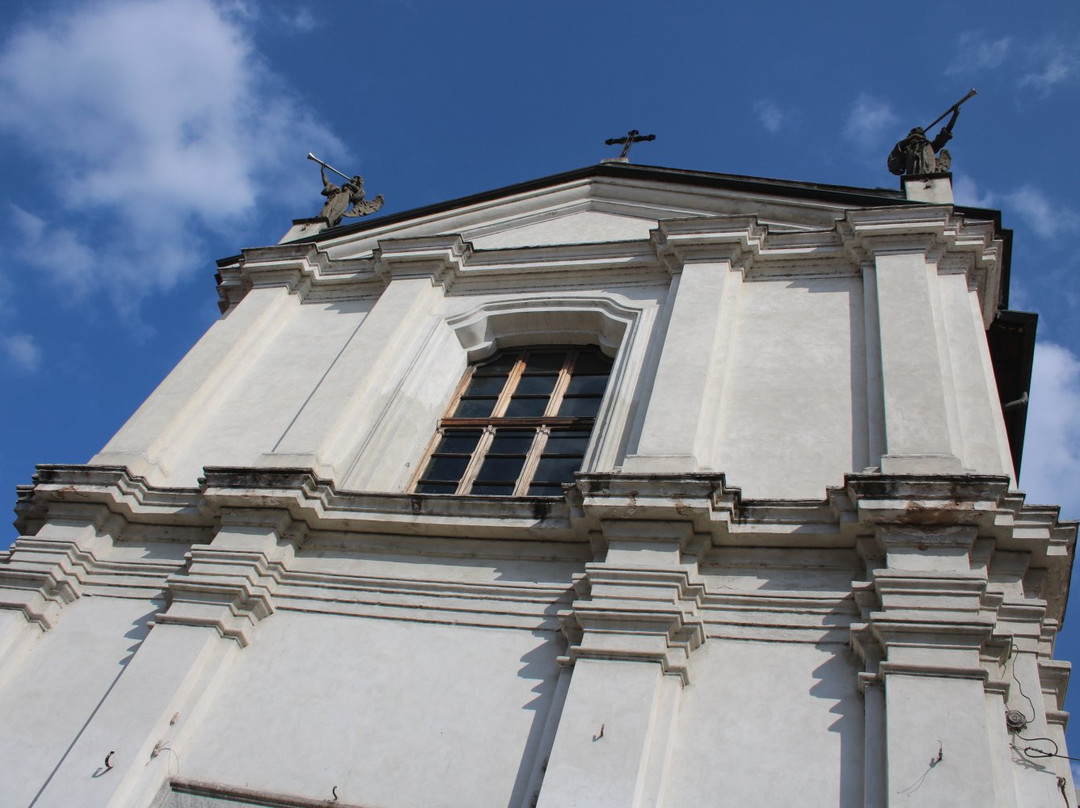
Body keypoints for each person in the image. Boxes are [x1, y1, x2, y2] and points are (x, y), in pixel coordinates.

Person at [887, 107, 959, 176]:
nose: (918, 131)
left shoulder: (929, 145)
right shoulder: (906, 149)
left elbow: (945, 133)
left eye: (920, 131)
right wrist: (911, 138)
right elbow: (893, 161)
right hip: (912, 175)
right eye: (915, 131)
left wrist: (954, 116)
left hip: (929, 173)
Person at [318, 168, 383, 225]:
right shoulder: (338, 189)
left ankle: (329, 224)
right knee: (324, 213)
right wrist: (322, 172)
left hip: (342, 203)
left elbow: (359, 191)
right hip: (333, 201)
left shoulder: (356, 190)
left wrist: (348, 184)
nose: (352, 178)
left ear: (357, 181)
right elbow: (327, 183)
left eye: (355, 178)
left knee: (334, 215)